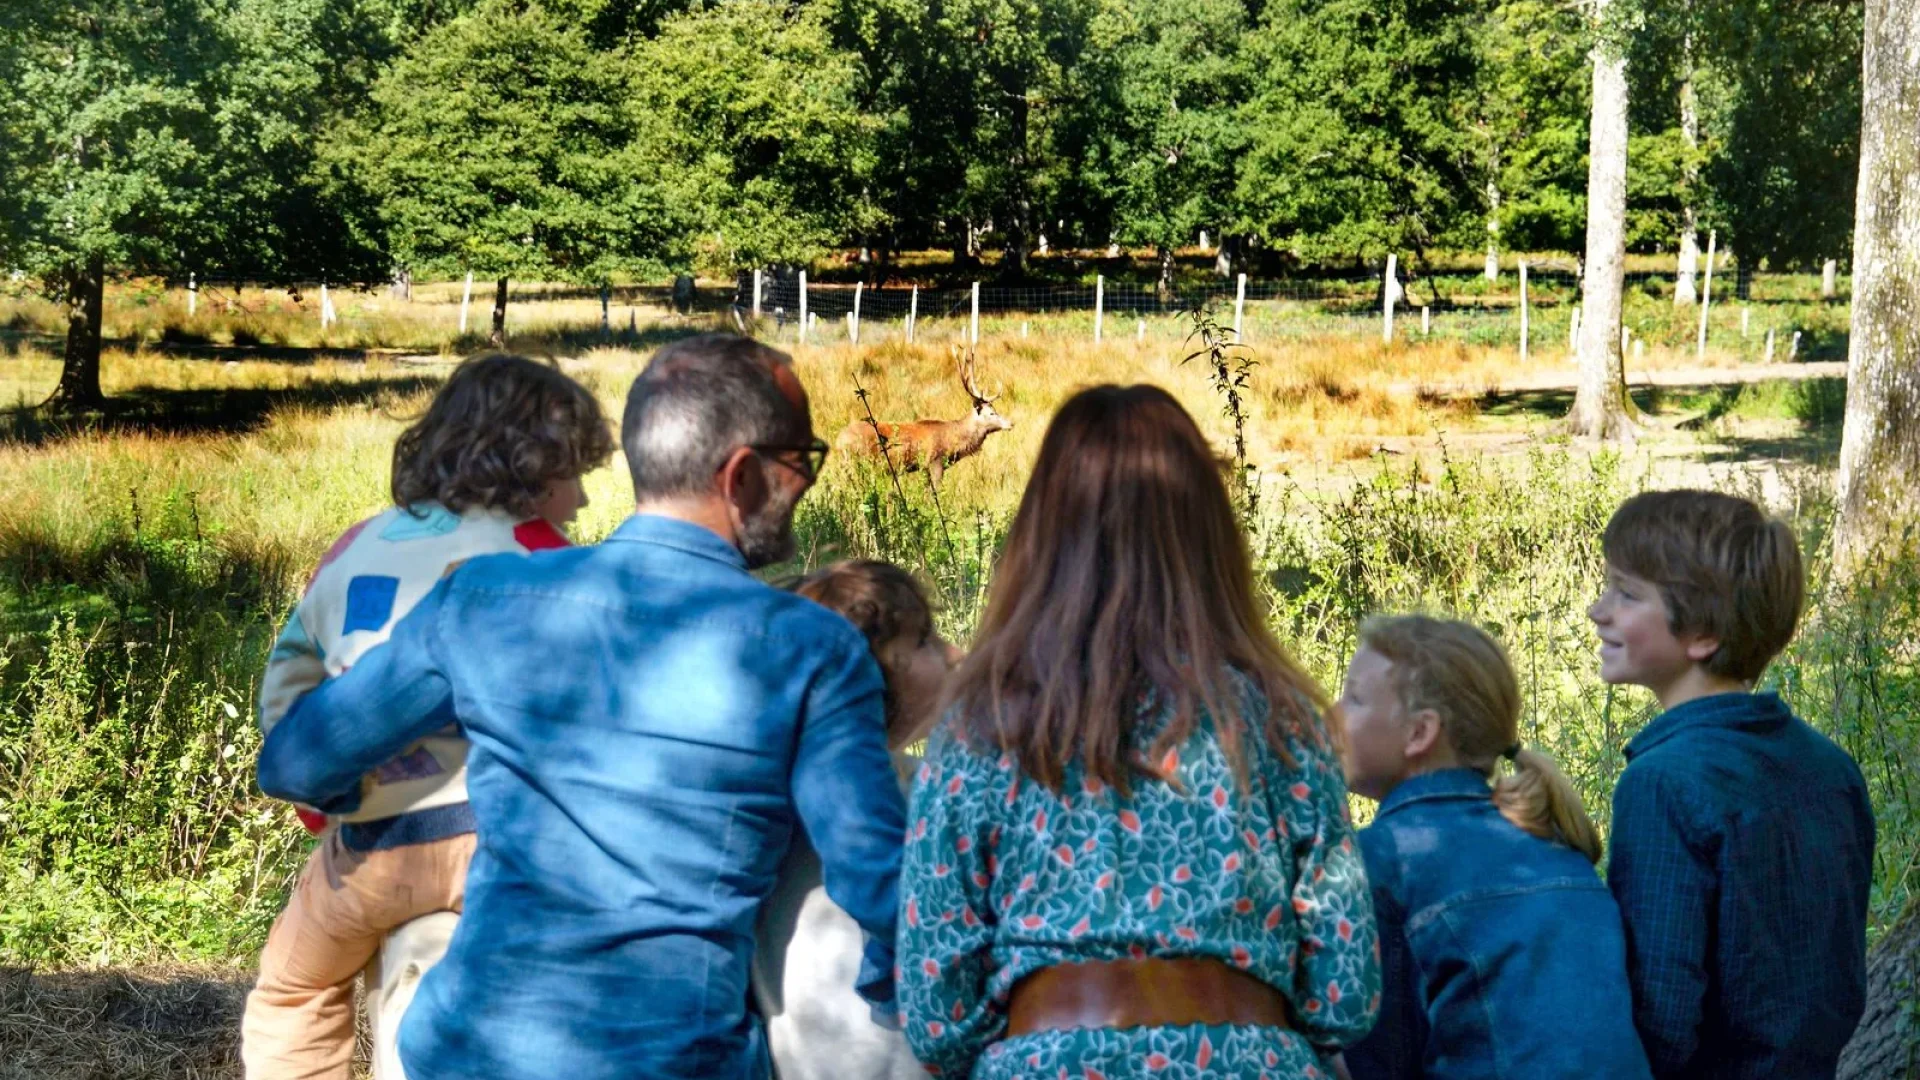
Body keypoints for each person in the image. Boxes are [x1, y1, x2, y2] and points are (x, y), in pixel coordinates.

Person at [255, 334, 907, 1080]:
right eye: (803, 462)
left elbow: (295, 763)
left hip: (464, 1054)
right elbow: (876, 881)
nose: (805, 485)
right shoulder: (811, 647)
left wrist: (363, 796)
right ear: (743, 474)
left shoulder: (485, 599)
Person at [896, 384, 1380, 1079]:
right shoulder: (1283, 720)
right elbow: (1345, 998)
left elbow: (936, 1014)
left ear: (1042, 533)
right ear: (1208, 534)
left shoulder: (979, 727)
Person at [242, 353, 611, 1080]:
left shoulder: (359, 545)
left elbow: (286, 687)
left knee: (295, 988)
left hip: (373, 850)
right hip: (505, 855)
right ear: (532, 467)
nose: (583, 500)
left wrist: (328, 804)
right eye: (576, 474)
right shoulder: (550, 560)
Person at [1591, 490, 1874, 1080]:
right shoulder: (1832, 767)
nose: (1599, 611)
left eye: (1626, 594)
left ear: (1701, 635)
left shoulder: (1662, 784)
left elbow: (1658, 1019)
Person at [1336, 614, 1650, 1080]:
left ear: (1420, 733)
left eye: (1355, 698)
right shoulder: (1556, 848)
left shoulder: (1381, 861)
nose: (1334, 712)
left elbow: (1370, 1061)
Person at [754, 561, 961, 1080]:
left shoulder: (766, 795)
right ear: (872, 670)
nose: (955, 654)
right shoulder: (901, 796)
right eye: (926, 642)